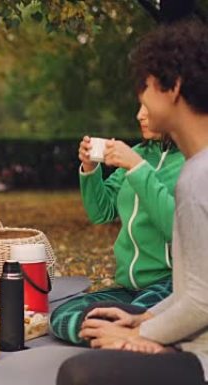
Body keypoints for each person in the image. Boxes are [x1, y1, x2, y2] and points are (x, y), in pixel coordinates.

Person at [57, 20, 208, 385]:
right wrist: (144, 321)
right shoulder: (197, 168)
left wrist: (144, 336)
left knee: (77, 374)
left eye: (144, 87)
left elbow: (201, 300)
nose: (139, 103)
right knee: (77, 320)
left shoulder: (197, 176)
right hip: (173, 317)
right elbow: (197, 292)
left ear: (172, 88)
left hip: (199, 349)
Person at [50, 104, 184, 345]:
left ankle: (128, 336)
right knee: (62, 316)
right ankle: (121, 338)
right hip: (128, 287)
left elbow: (176, 229)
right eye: (139, 106)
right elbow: (101, 212)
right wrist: (90, 168)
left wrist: (137, 168)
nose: (140, 115)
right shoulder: (138, 152)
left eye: (148, 106)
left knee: (133, 316)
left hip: (169, 283)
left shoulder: (191, 162)